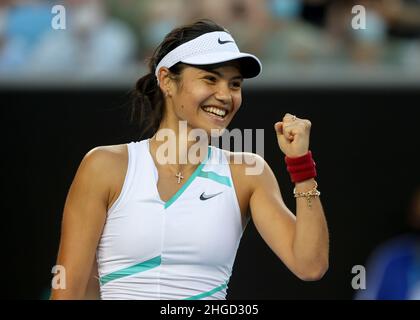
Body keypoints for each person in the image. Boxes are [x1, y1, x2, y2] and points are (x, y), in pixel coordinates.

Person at [50, 19, 329, 300]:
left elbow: (310, 265)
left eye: (234, 84)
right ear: (167, 81)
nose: (225, 96)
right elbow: (68, 290)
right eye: (210, 78)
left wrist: (301, 167)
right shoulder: (103, 166)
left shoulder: (248, 172)